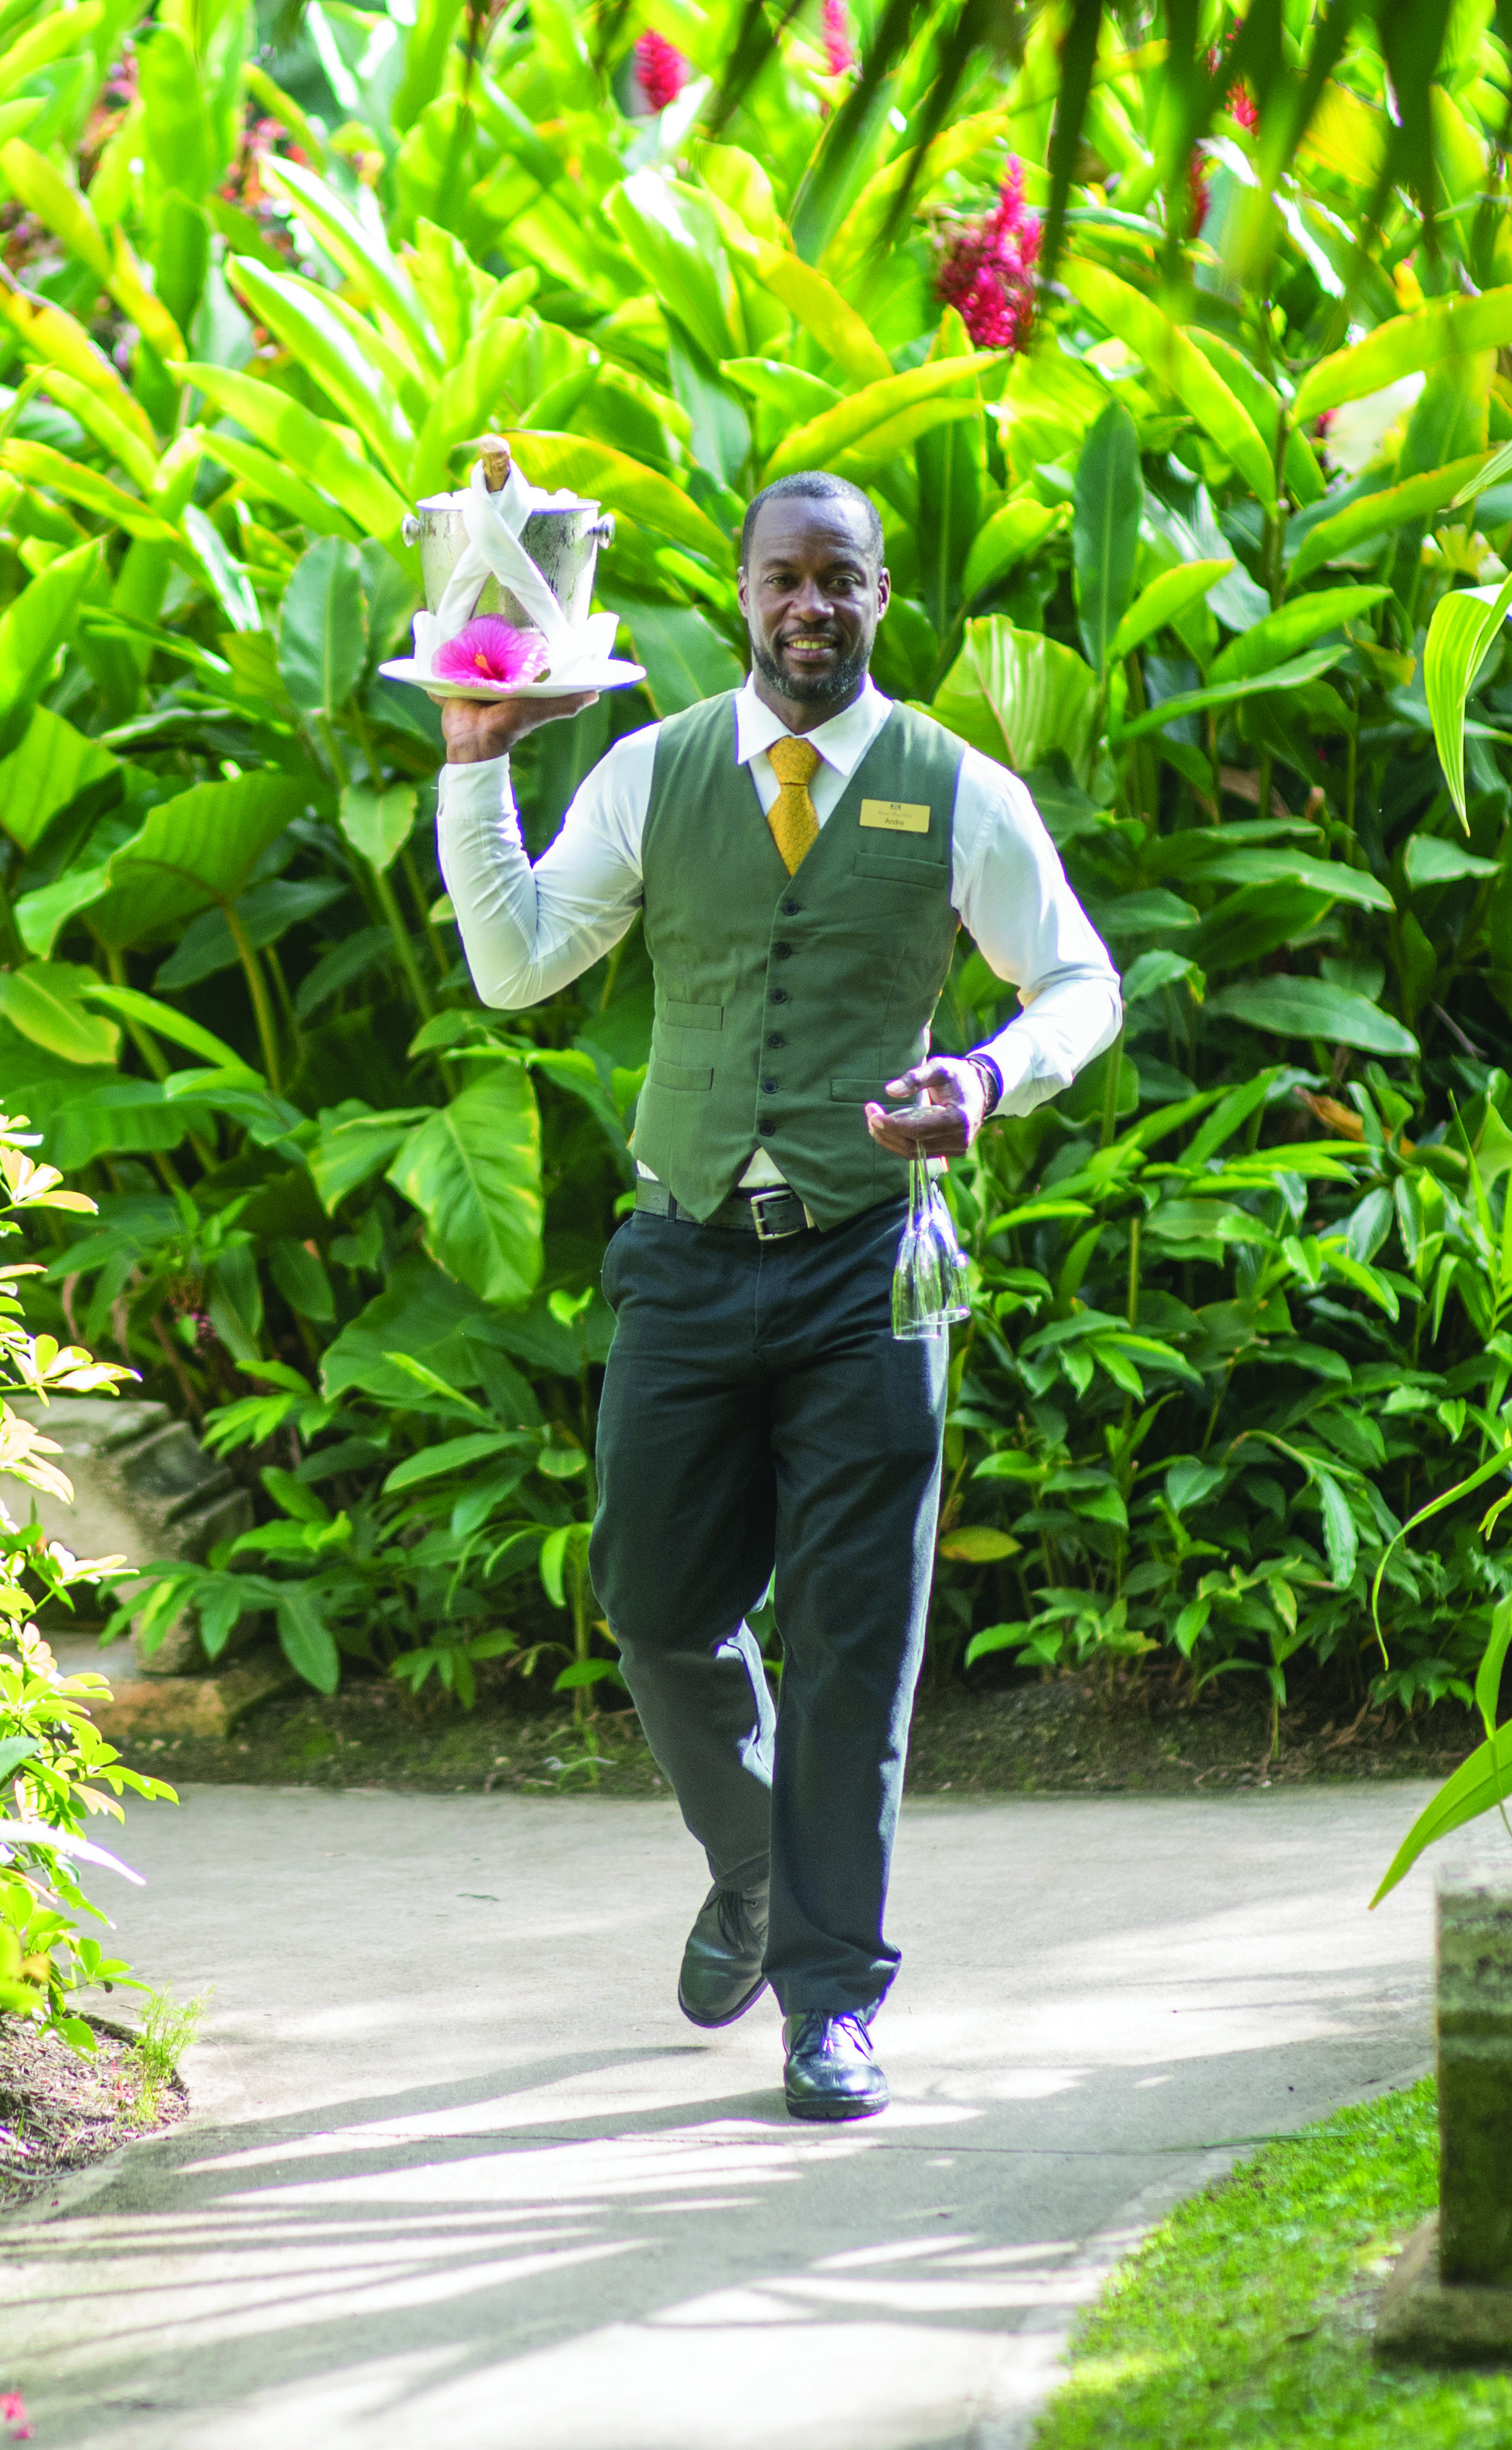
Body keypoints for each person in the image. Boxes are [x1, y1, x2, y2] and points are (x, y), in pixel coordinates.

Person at [433, 467, 1124, 2122]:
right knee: (655, 1602)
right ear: (740, 595)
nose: (811, 607)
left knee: (850, 1649)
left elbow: (1079, 980)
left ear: (883, 600)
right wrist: (471, 775)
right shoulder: (652, 774)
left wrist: (986, 1071)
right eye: (782, 581)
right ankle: (754, 1862)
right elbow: (516, 961)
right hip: (682, 1249)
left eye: (843, 581)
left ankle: (830, 2000)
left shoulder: (953, 789)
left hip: (863, 1271)